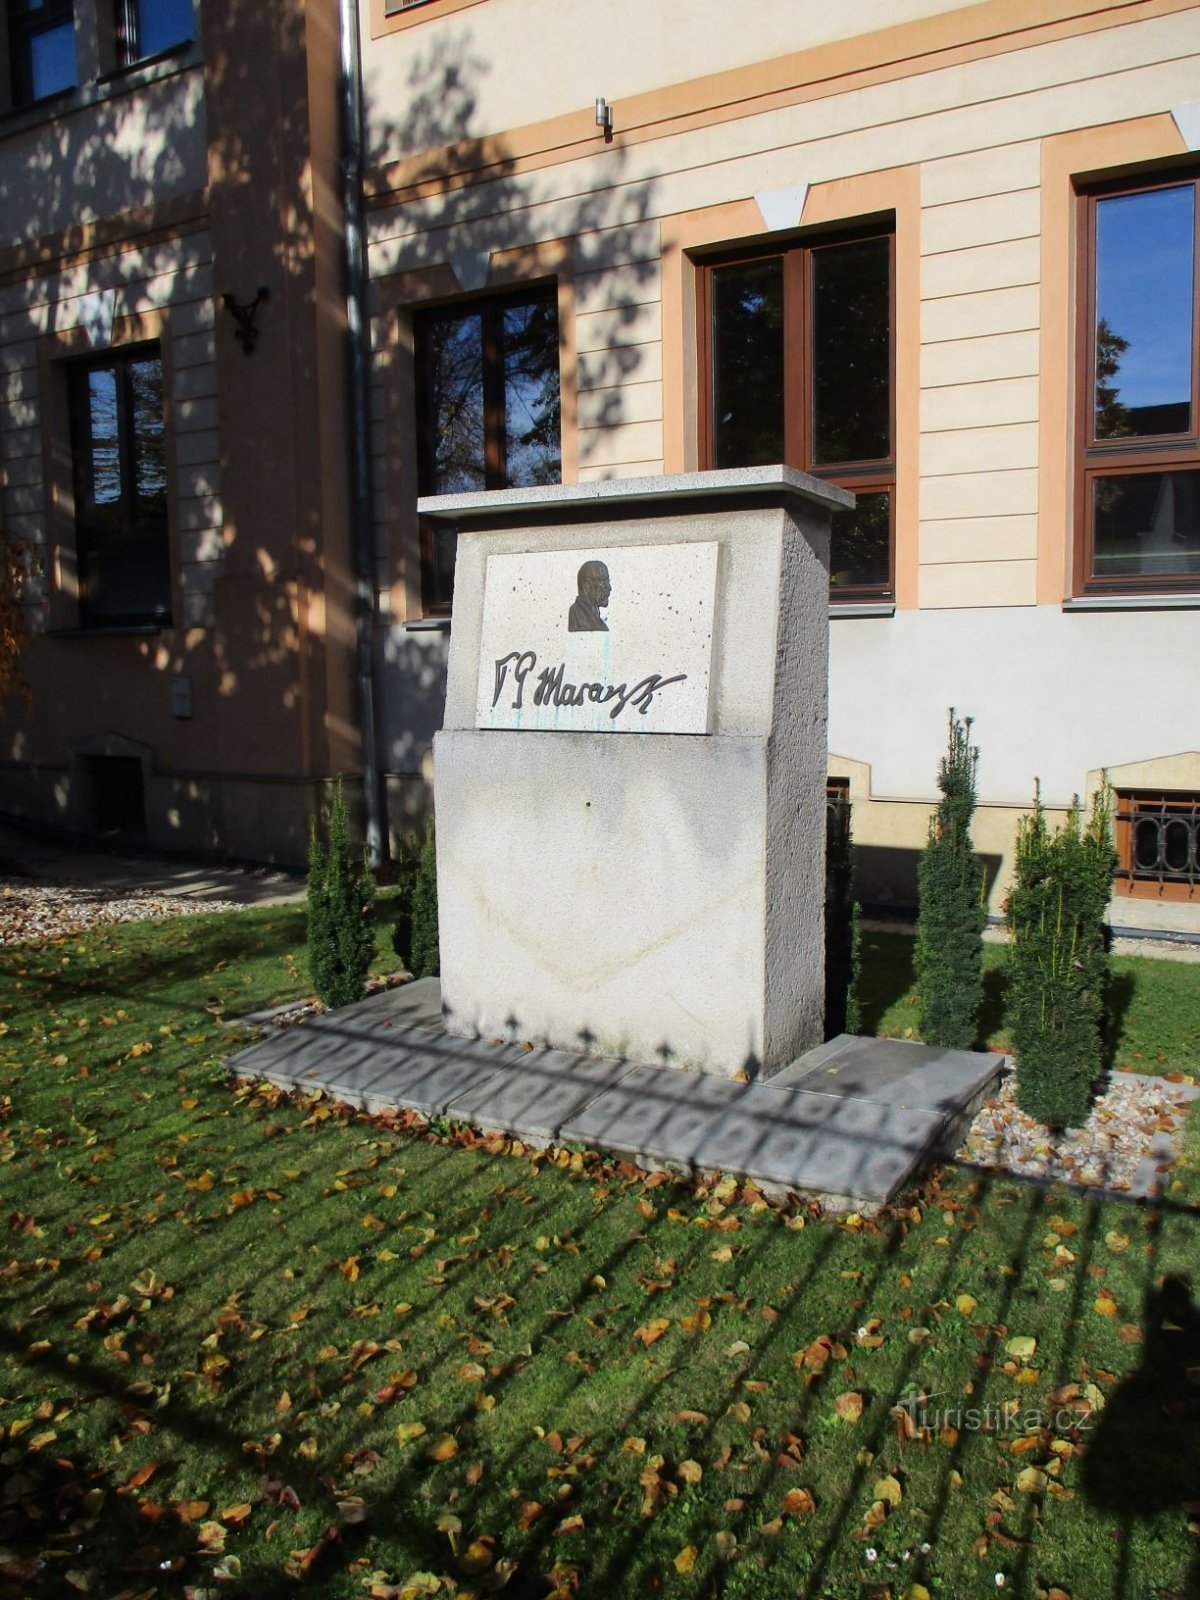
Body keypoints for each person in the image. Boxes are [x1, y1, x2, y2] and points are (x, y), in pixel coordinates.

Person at [568, 560, 611, 632]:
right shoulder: (578, 617)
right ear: (587, 586)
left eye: (608, 582)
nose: (609, 588)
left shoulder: (599, 622)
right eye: (604, 582)